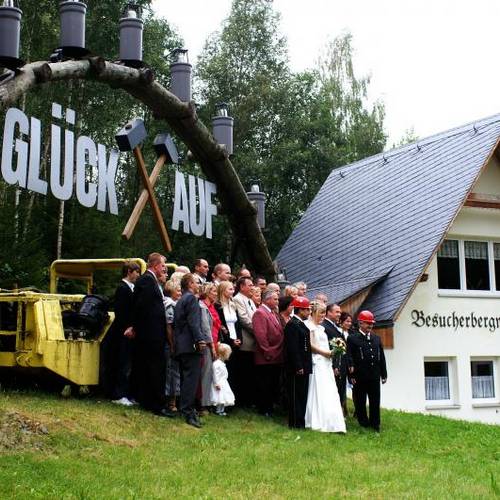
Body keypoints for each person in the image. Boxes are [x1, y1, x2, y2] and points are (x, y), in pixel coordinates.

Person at [127, 253, 171, 417]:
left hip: (153, 332)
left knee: (151, 368)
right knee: (155, 368)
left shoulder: (152, 281)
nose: (164, 269)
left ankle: (149, 400)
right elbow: (141, 307)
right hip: (150, 334)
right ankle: (156, 404)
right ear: (156, 266)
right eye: (163, 266)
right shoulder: (146, 280)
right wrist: (136, 327)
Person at [305, 301, 346, 433]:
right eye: (321, 312)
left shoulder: (321, 328)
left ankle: (332, 420)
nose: (323, 315)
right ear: (313, 312)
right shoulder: (309, 326)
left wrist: (334, 351)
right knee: (319, 388)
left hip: (326, 362)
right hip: (317, 360)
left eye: (324, 312)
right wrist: (326, 353)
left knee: (329, 389)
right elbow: (311, 346)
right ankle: (317, 419)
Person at [104, 261, 141, 406]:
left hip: (129, 331)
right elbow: (121, 312)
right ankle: (119, 394)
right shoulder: (122, 288)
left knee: (128, 364)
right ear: (129, 272)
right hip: (123, 332)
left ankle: (126, 393)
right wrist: (128, 327)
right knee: (123, 363)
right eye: (136, 272)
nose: (138, 275)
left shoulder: (131, 288)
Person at [174, 273, 207, 428]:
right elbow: (194, 323)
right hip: (190, 345)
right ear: (189, 284)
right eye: (196, 282)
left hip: (182, 344)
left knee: (185, 377)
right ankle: (188, 411)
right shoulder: (192, 299)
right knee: (191, 379)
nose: (198, 285)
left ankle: (185, 408)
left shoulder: (181, 300)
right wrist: (200, 339)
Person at [347, 310, 387, 432]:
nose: (370, 325)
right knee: (360, 400)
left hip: (374, 375)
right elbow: (349, 357)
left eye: (371, 323)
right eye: (367, 323)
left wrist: (384, 373)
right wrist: (351, 375)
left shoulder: (376, 338)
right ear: (360, 323)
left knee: (375, 400)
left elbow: (381, 356)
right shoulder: (352, 338)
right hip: (360, 375)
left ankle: (375, 424)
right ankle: (363, 422)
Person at [252, 290, 284, 416]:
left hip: (276, 354)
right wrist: (268, 352)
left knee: (272, 383)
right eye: (275, 299)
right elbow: (261, 336)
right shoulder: (260, 313)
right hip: (266, 356)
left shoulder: (273, 313)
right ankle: (264, 409)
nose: (277, 301)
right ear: (267, 299)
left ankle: (270, 407)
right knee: (265, 383)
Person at [284, 296, 312, 428]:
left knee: (302, 394)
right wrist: (298, 365)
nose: (308, 313)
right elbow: (293, 348)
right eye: (306, 310)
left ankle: (300, 421)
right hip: (296, 366)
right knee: (296, 395)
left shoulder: (299, 323)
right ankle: (295, 422)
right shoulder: (292, 325)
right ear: (300, 310)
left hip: (304, 364)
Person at [233, 276, 257, 406]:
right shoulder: (238, 299)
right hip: (246, 340)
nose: (252, 287)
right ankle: (243, 400)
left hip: (253, 340)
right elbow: (243, 319)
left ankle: (249, 399)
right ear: (242, 286)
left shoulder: (250, 300)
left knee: (251, 372)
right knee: (244, 371)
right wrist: (258, 331)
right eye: (250, 285)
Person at [199, 283, 220, 413]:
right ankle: (202, 404)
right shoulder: (202, 306)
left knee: (211, 374)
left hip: (214, 341)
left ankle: (209, 401)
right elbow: (206, 328)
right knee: (205, 374)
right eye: (213, 291)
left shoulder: (211, 306)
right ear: (207, 292)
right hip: (207, 344)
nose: (216, 294)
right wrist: (212, 345)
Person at [163, 280, 181, 412]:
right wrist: (172, 344)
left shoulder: (175, 304)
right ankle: (170, 402)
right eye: (178, 290)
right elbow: (169, 326)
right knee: (171, 372)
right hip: (171, 344)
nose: (180, 293)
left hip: (175, 342)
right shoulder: (170, 305)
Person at [210, 343, 235, 416]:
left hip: (224, 382)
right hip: (219, 383)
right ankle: (218, 410)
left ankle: (222, 410)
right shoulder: (216, 364)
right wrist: (216, 383)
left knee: (224, 396)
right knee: (219, 397)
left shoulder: (222, 363)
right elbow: (215, 375)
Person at [335, 312, 352, 415]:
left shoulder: (351, 333)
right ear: (341, 322)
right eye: (347, 321)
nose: (349, 323)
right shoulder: (338, 332)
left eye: (350, 321)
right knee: (340, 386)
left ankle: (345, 408)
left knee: (346, 386)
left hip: (348, 362)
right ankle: (341, 408)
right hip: (340, 362)